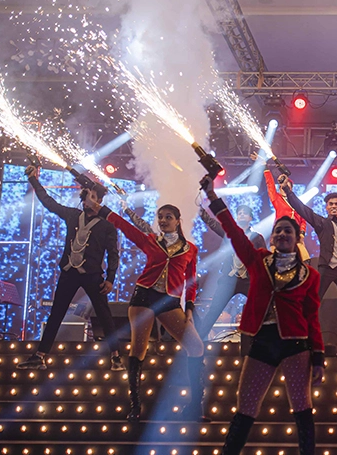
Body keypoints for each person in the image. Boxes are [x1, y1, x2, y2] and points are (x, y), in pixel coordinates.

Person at [196, 177, 324, 455]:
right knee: (244, 411)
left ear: (297, 239)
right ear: (272, 237)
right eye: (278, 231)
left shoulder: (310, 275)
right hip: (263, 341)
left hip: (296, 345)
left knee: (303, 412)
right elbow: (233, 233)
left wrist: (319, 356)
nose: (282, 235)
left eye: (288, 231)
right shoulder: (257, 261)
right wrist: (213, 197)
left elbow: (312, 318)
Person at [86, 197, 207, 421]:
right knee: (138, 349)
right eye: (160, 217)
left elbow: (191, 282)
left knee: (196, 346)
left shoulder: (191, 249)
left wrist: (189, 307)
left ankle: (194, 407)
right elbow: (125, 226)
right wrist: (99, 208)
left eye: (168, 217)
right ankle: (135, 406)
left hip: (170, 300)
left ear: (178, 221)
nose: (163, 221)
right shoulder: (150, 241)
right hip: (144, 296)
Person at [18, 165, 122, 371]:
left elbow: (113, 254)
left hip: (92, 275)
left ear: (99, 200)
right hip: (69, 273)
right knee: (56, 313)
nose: (87, 198)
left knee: (104, 315)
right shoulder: (73, 215)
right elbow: (48, 202)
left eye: (92, 196)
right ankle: (39, 356)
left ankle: (116, 357)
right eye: (86, 195)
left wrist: (110, 279)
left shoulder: (107, 225)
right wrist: (33, 179)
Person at [280, 176, 337, 344]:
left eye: (336, 204)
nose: (334, 206)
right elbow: (302, 209)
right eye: (330, 204)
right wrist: (288, 190)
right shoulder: (322, 223)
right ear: (326, 207)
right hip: (327, 269)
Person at [195, 201, 266, 345]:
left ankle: (264, 341)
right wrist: (201, 211)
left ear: (250, 218)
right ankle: (198, 342)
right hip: (229, 278)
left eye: (245, 213)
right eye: (239, 213)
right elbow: (213, 224)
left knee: (261, 308)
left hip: (248, 279)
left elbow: (263, 258)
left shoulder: (257, 237)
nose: (241, 215)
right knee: (214, 310)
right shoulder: (230, 234)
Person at [258, 152, 310, 260]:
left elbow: (303, 220)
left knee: (304, 259)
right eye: (282, 187)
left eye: (287, 187)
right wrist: (265, 167)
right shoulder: (277, 199)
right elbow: (270, 185)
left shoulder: (297, 202)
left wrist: (301, 234)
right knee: (276, 261)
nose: (284, 188)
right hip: (280, 232)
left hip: (295, 234)